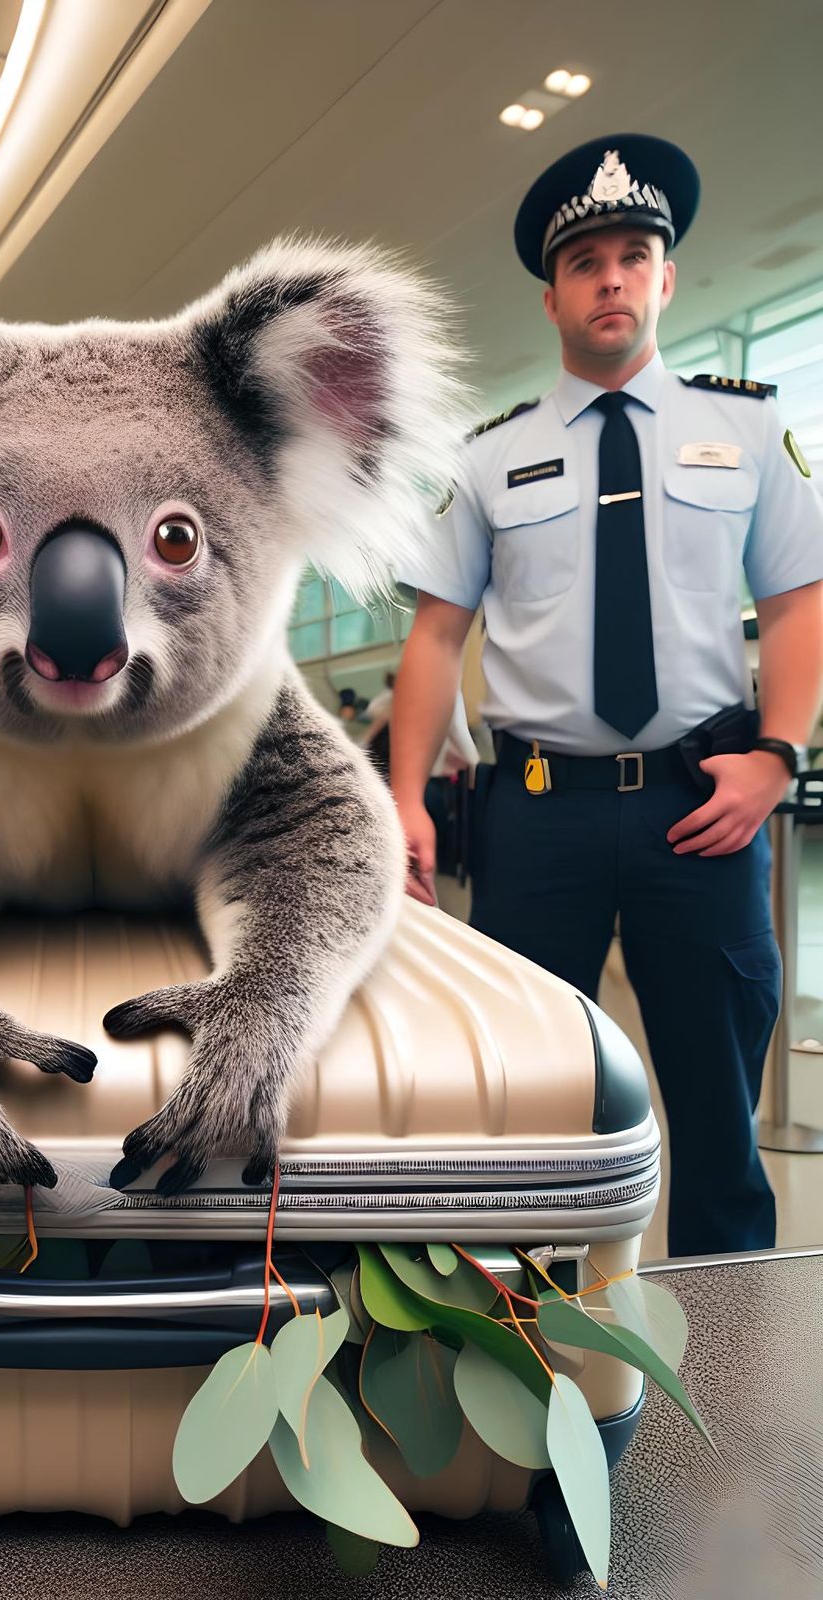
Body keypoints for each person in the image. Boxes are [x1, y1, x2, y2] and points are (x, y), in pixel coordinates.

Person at [389, 134, 823, 1258]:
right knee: (521, 1098)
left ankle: (726, 1369)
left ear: (667, 278)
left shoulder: (748, 430)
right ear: (551, 297)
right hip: (540, 811)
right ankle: (522, 1349)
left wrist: (777, 755)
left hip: (704, 802)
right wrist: (404, 798)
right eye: (586, 262)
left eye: (634, 255)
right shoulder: (487, 459)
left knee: (720, 1113)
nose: (613, 278)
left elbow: (796, 604)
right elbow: (436, 635)